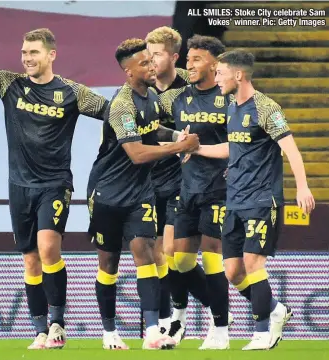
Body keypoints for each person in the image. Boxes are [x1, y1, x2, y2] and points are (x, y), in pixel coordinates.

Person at [0, 11, 109, 349]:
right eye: (24, 52)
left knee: (48, 247)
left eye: (34, 52)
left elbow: (113, 113)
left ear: (51, 55)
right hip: (19, 185)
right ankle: (39, 330)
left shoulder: (72, 92)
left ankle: (57, 324)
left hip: (54, 183)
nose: (27, 58)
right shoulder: (11, 84)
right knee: (30, 259)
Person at [189, 48, 313, 350]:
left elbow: (291, 150)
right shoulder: (232, 108)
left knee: (253, 262)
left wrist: (302, 187)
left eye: (220, 72)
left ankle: (261, 332)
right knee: (232, 271)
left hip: (262, 199)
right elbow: (233, 149)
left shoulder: (266, 109)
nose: (217, 78)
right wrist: (196, 149)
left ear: (238, 74)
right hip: (235, 200)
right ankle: (276, 309)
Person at [86, 38, 199, 350]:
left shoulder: (150, 97)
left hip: (140, 193)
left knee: (146, 253)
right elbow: (136, 152)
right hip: (107, 193)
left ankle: (152, 330)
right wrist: (180, 148)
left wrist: (177, 135)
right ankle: (109, 332)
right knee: (109, 264)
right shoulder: (121, 105)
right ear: (127, 72)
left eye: (152, 60)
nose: (152, 67)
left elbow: (151, 130)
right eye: (144, 64)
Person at [157, 35, 231, 349]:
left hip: (219, 190)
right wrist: (177, 145)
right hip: (187, 190)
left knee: (213, 259)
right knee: (181, 262)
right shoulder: (178, 99)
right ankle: (185, 319)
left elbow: (240, 144)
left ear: (215, 64)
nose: (190, 64)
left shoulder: (230, 98)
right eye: (188, 59)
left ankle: (220, 330)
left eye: (196, 59)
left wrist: (200, 148)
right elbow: (166, 134)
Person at [145, 26, 192, 334]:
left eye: (157, 54)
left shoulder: (192, 85)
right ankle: (166, 319)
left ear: (174, 57)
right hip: (148, 180)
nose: (150, 60)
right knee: (158, 254)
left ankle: (180, 314)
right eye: (147, 53)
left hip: (184, 180)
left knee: (173, 251)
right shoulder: (140, 87)